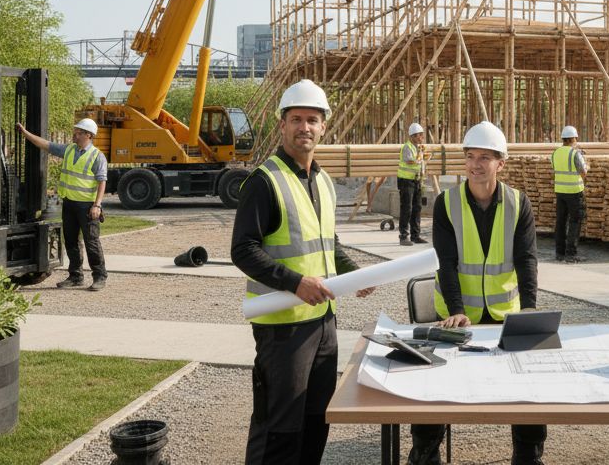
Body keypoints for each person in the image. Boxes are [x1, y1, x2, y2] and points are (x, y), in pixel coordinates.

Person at [230, 79, 374, 465]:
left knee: (315, 422)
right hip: (283, 328)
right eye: (296, 119)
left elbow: (328, 244)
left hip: (323, 323)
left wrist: (355, 274)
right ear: (282, 125)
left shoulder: (323, 181)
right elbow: (242, 249)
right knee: (279, 429)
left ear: (324, 126)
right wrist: (295, 283)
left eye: (312, 119)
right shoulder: (265, 181)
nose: (304, 127)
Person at [409, 120, 547, 465]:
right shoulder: (447, 203)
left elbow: (526, 259)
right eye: (470, 156)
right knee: (435, 380)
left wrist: (529, 308)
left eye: (485, 157)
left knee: (528, 382)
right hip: (456, 314)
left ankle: (527, 452)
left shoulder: (518, 203)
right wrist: (455, 308)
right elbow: (446, 261)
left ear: (501, 163)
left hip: (505, 313)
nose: (475, 164)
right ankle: (425, 451)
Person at [18, 117, 108, 290]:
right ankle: (75, 276)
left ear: (88, 135)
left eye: (79, 132)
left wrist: (97, 205)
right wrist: (25, 133)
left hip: (87, 207)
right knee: (71, 241)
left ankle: (99, 276)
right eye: (76, 131)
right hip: (69, 204)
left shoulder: (97, 156)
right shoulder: (68, 150)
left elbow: (102, 181)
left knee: (92, 242)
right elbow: (45, 144)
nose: (75, 135)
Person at [550, 125, 588, 263]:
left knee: (560, 222)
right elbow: (584, 171)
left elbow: (555, 169)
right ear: (574, 138)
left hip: (560, 192)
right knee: (575, 222)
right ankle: (571, 254)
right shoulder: (575, 153)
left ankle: (559, 253)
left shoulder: (555, 153)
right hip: (574, 192)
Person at [398, 122, 429, 246]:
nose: (421, 137)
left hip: (417, 180)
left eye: (421, 135)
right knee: (407, 208)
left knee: (417, 207)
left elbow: (419, 161)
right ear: (412, 136)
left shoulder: (419, 147)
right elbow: (410, 161)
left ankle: (415, 236)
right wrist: (422, 158)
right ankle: (403, 236)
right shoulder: (407, 147)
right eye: (418, 135)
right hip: (406, 181)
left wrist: (424, 157)